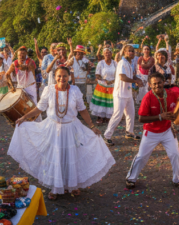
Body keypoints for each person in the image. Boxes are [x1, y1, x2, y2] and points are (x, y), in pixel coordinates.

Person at [8, 66, 115, 200]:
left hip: (71, 128)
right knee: (55, 157)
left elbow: (82, 110)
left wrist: (92, 126)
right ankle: (55, 187)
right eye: (59, 76)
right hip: (53, 128)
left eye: (65, 76)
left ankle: (72, 185)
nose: (62, 79)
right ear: (55, 77)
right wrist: (24, 117)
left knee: (71, 156)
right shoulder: (49, 90)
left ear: (69, 77)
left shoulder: (75, 90)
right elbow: (39, 108)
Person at [125, 72, 179, 190]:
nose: (157, 86)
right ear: (149, 85)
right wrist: (160, 117)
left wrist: (177, 115)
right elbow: (141, 118)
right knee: (142, 156)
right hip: (151, 132)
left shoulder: (170, 93)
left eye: (159, 83)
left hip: (167, 130)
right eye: (154, 84)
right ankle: (131, 178)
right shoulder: (147, 97)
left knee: (175, 154)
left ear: (164, 82)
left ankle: (177, 179)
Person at [104, 44, 144, 146]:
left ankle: (129, 132)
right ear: (125, 52)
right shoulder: (122, 63)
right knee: (117, 115)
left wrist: (138, 79)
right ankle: (107, 136)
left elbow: (131, 75)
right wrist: (135, 81)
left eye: (133, 51)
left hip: (128, 93)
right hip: (120, 93)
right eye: (129, 51)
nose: (131, 53)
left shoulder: (129, 63)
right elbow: (122, 77)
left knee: (131, 113)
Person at [91, 47, 116, 124]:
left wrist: (112, 81)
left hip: (112, 85)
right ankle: (100, 117)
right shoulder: (100, 63)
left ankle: (108, 117)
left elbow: (118, 74)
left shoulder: (115, 63)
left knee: (110, 102)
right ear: (103, 54)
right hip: (102, 84)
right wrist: (104, 80)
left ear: (112, 54)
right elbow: (97, 75)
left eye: (109, 52)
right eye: (106, 52)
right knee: (102, 102)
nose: (107, 54)